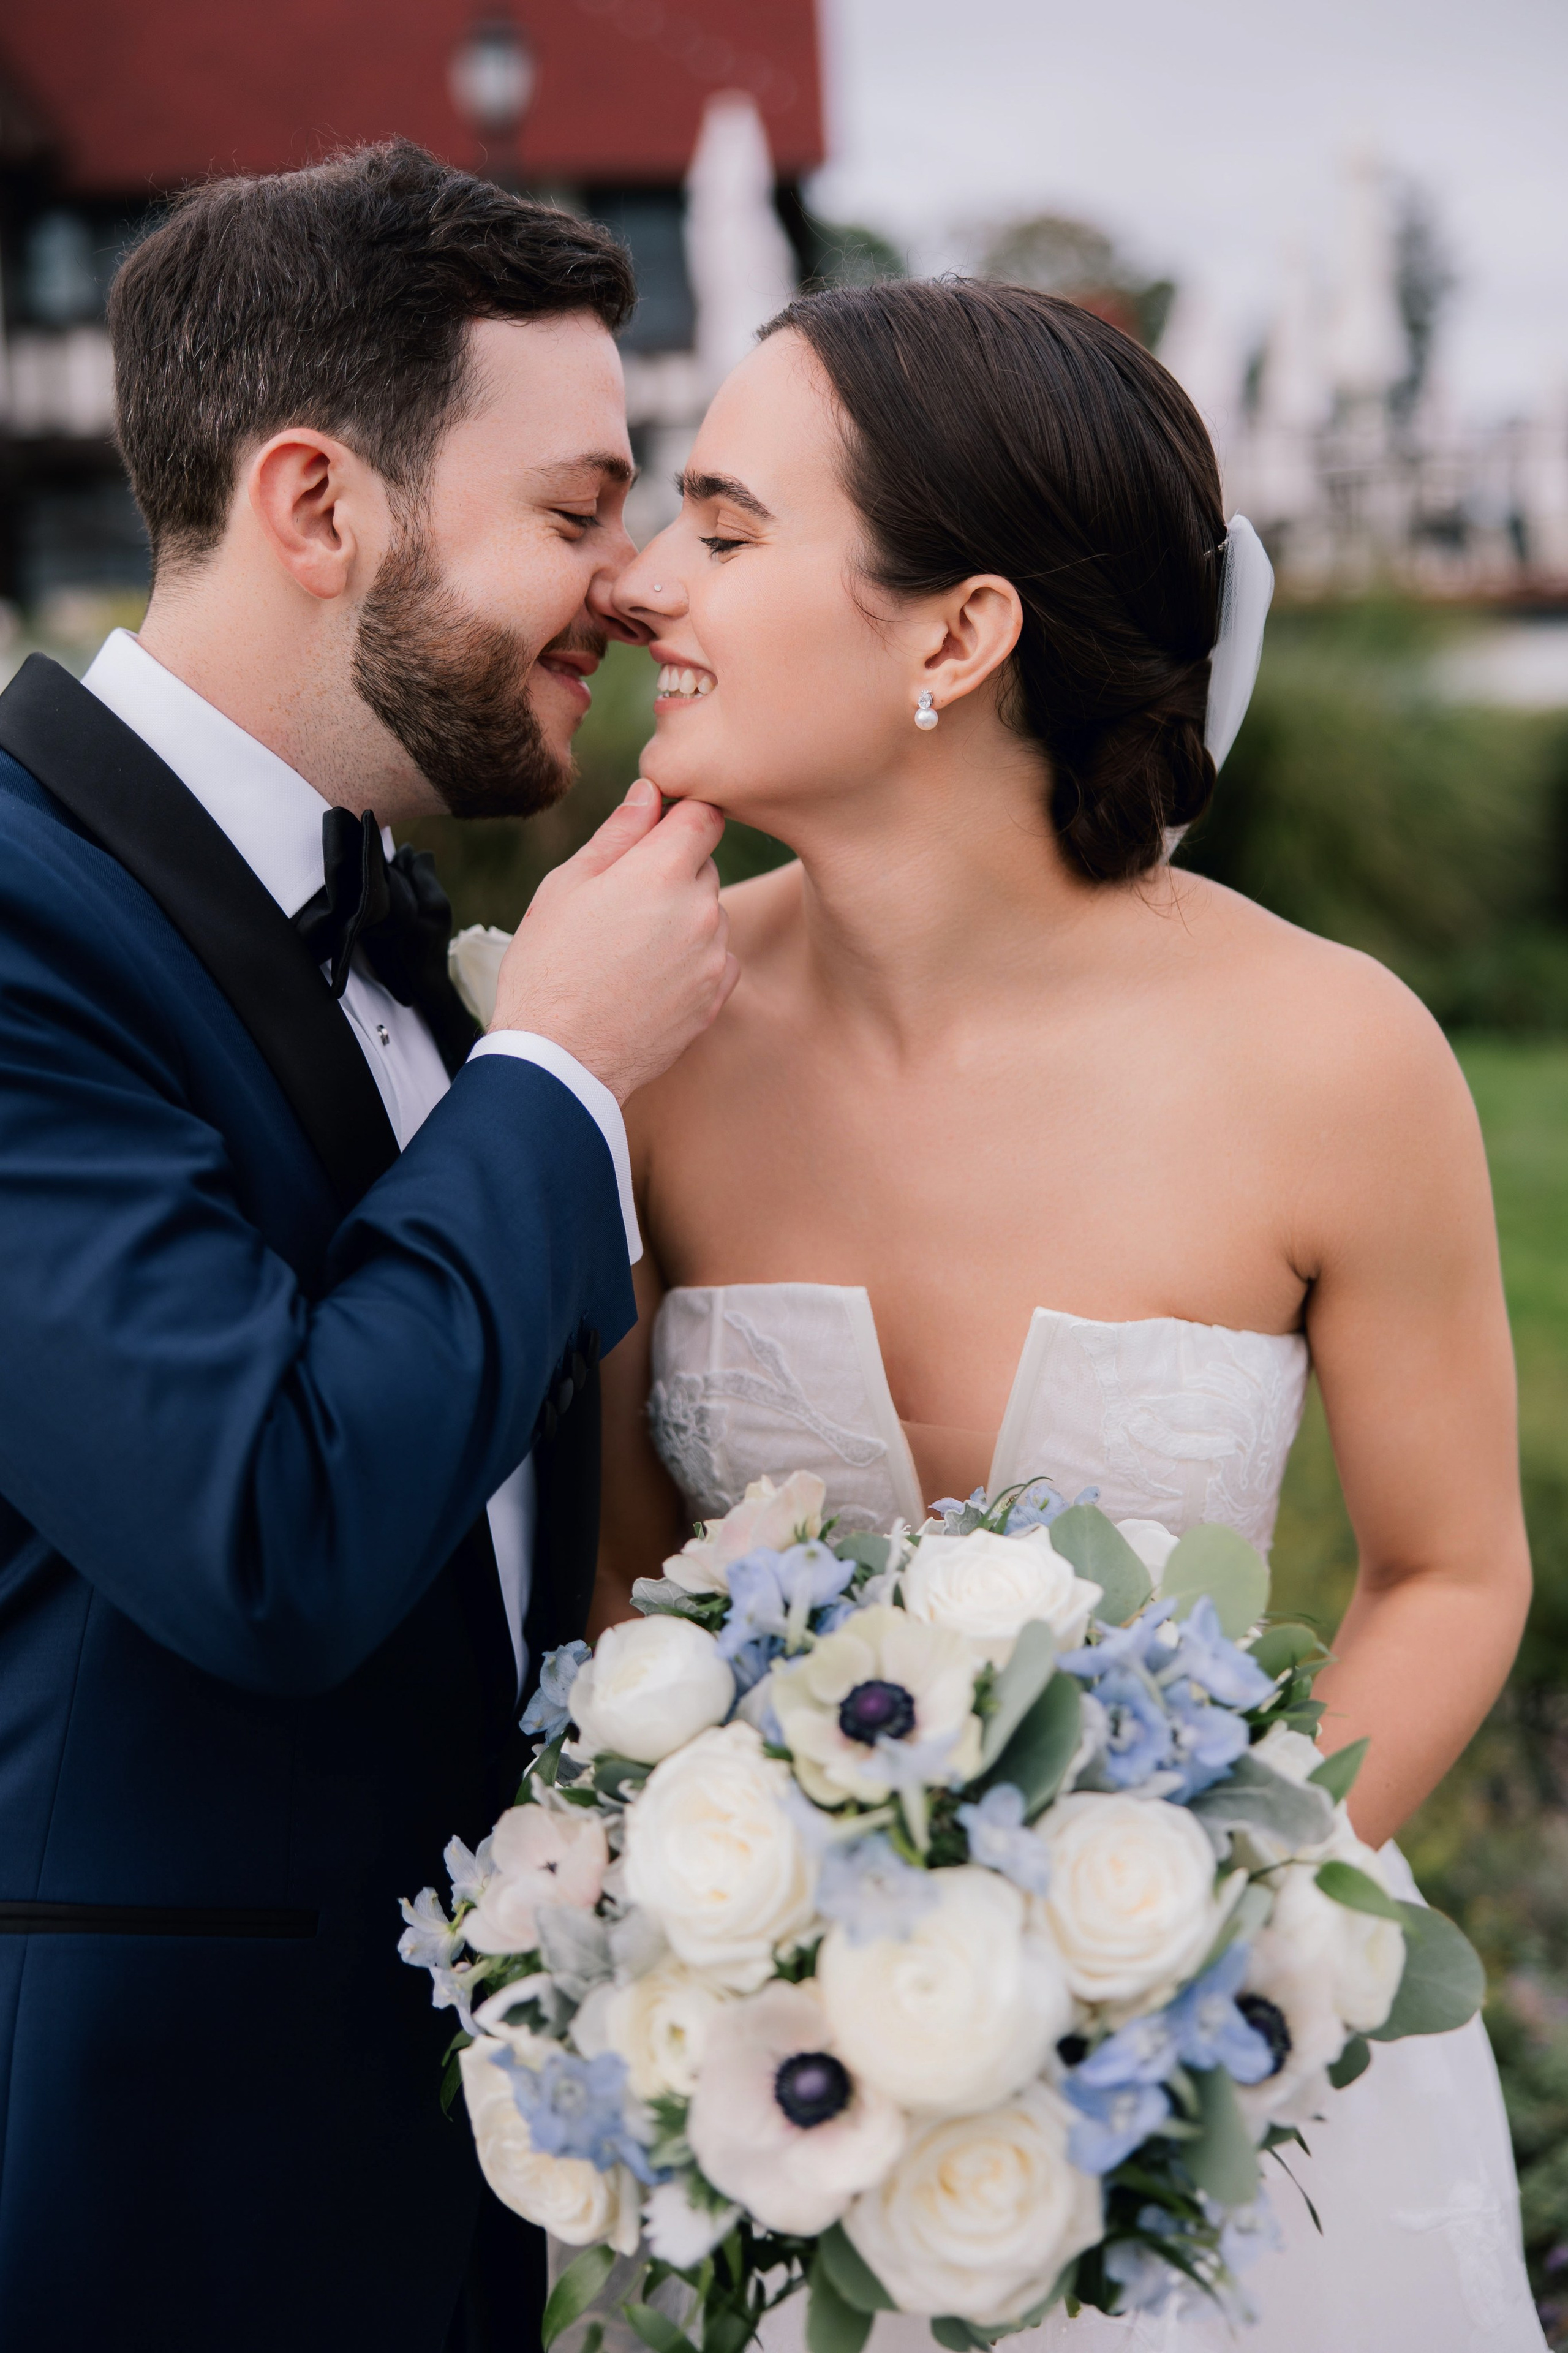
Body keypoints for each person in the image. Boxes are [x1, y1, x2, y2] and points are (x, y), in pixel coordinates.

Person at [594, 280, 1544, 2348]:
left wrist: (1182, 1937)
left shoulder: (1334, 1056)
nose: (647, 586)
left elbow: (1456, 1568)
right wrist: (720, 1967)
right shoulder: (646, 1044)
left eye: (730, 532)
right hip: (774, 2105)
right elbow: (614, 1585)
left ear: (956, 633)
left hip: (1235, 2078)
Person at [0, 143, 736, 2351]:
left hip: (443, 2186)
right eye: (576, 509)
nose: (626, 584)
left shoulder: (402, 918)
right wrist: (560, 1083)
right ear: (321, 507)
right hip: (144, 2198)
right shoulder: (22, 920)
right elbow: (270, 1522)